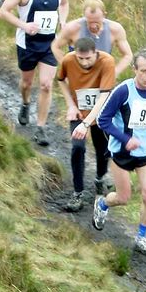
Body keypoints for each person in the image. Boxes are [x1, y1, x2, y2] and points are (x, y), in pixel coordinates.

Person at [94, 48, 146, 256]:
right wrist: (126, 139)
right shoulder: (123, 91)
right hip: (122, 154)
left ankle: (141, 238)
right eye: (143, 71)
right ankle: (102, 203)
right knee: (123, 197)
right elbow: (103, 120)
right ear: (134, 69)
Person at [0, 0, 69, 147]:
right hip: (27, 44)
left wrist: (63, 21)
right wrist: (24, 25)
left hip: (49, 45)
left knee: (46, 84)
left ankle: (40, 127)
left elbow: (64, 4)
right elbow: (3, 11)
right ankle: (25, 103)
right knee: (27, 83)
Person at [55, 37, 116, 212]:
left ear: (95, 53)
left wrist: (87, 123)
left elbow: (104, 96)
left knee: (102, 149)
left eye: (88, 58)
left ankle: (99, 178)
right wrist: (71, 105)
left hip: (101, 112)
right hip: (78, 112)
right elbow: (61, 80)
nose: (84, 62)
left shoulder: (107, 62)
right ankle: (77, 192)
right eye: (80, 58)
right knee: (77, 147)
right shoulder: (68, 59)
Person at [51, 0, 133, 78]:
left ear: (104, 15)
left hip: (102, 75)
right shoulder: (73, 28)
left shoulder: (115, 29)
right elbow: (55, 46)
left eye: (97, 22)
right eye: (90, 22)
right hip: (78, 76)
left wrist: (115, 72)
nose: (93, 26)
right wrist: (67, 67)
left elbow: (128, 55)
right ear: (84, 16)